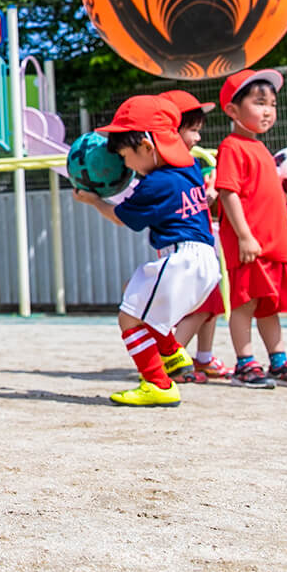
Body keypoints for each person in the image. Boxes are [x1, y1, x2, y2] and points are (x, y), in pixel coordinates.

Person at [73, 95, 220, 408]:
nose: (125, 165)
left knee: (129, 318)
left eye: (126, 155)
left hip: (182, 259)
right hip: (204, 259)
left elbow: (120, 218)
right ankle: (173, 355)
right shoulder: (189, 167)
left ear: (146, 146)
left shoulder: (155, 186)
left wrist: (94, 200)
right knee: (136, 295)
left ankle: (158, 383)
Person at [211, 70, 287, 388]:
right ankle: (245, 364)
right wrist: (245, 236)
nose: (269, 110)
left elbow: (265, 199)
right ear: (232, 110)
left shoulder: (263, 151)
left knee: (269, 306)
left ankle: (279, 361)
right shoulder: (232, 147)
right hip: (251, 246)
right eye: (260, 103)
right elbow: (229, 193)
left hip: (274, 244)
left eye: (272, 103)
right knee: (245, 304)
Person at [158, 89, 228, 382]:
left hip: (202, 244)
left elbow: (198, 201)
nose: (198, 138)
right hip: (183, 250)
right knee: (198, 308)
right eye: (193, 130)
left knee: (211, 306)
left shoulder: (190, 164)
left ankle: (203, 357)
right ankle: (173, 360)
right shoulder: (167, 168)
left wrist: (209, 193)